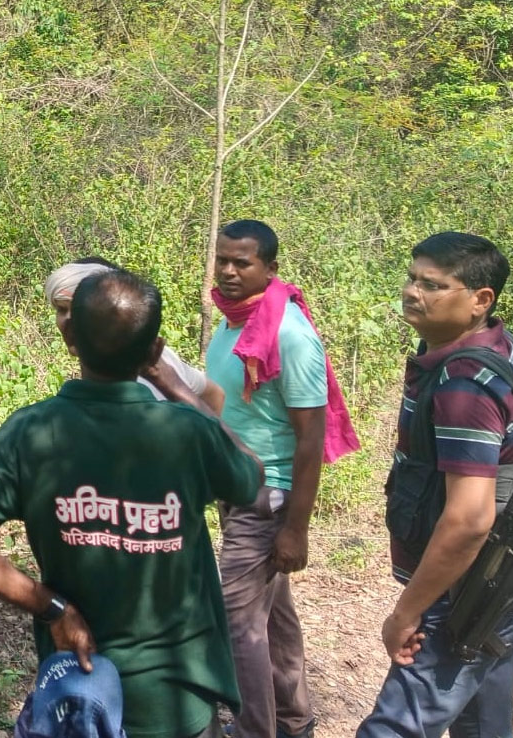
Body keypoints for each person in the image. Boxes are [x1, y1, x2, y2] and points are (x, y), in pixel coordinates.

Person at [0, 269, 263, 738]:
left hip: (79, 696)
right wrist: (175, 387)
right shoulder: (187, 432)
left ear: (71, 338)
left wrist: (53, 608)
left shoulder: (31, 432)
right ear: (154, 350)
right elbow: (252, 474)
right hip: (177, 700)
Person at [357, 232, 513, 737]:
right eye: (412, 278)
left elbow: (469, 520)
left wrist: (407, 613)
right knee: (482, 719)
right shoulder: (494, 345)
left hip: (467, 585)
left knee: (396, 725)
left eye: (432, 285)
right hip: (505, 574)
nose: (412, 292)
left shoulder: (464, 385)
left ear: (480, 299)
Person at [204, 219, 359, 738]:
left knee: (237, 621)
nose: (228, 271)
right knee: (273, 615)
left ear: (270, 268)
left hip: (266, 495)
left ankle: (255, 730)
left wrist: (296, 527)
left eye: (241, 262)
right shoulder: (234, 322)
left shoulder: (288, 334)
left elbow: (310, 438)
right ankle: (293, 721)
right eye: (222, 259)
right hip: (237, 488)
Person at [44, 258, 225, 411]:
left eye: (81, 311)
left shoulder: (157, 363)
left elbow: (214, 395)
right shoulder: (156, 357)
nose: (70, 321)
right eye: (61, 309)